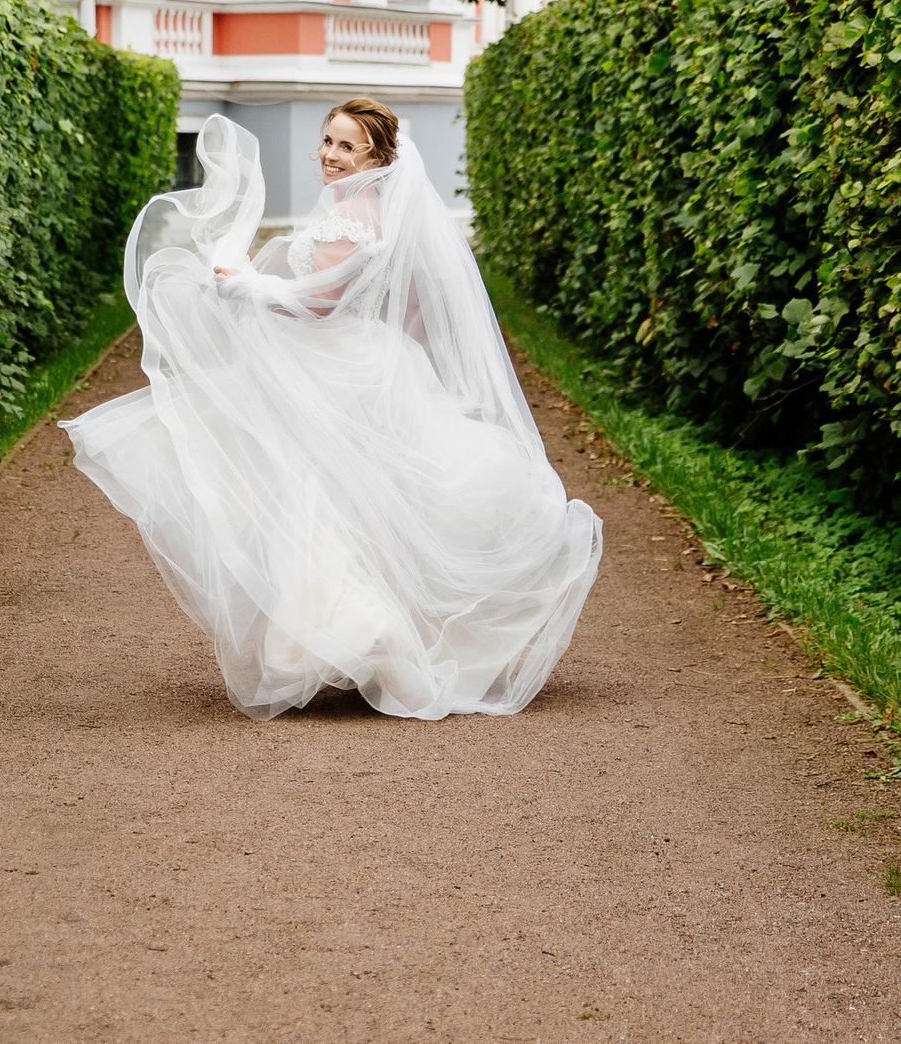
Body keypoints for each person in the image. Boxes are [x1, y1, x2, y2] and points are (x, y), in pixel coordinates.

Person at [61, 99, 603, 721]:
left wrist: (245, 286)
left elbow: (319, 305)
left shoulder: (353, 214)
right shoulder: (369, 209)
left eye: (348, 147)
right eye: (328, 140)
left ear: (377, 157)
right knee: (346, 496)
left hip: (335, 362)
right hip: (361, 357)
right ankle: (355, 631)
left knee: (316, 492)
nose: (330, 154)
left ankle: (352, 629)